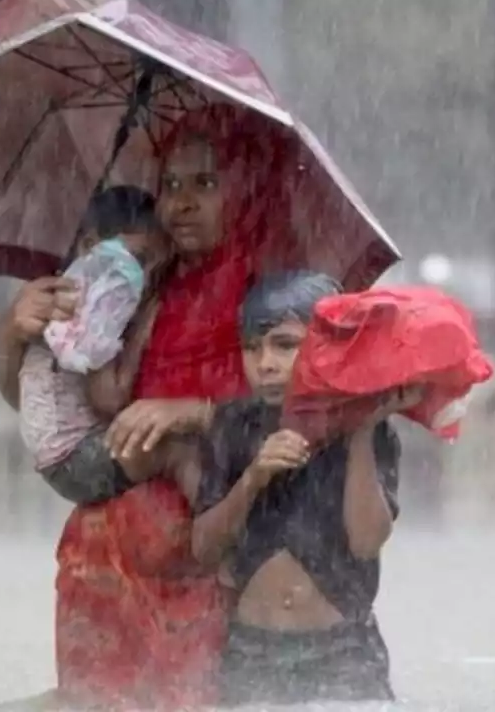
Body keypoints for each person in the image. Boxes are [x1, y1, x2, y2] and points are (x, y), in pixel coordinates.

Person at [0, 103, 299, 709]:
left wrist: (193, 411)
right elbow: (52, 410)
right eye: (170, 185)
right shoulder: (129, 280)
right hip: (105, 555)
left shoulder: (269, 289)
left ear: (245, 192)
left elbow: (299, 412)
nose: (181, 202)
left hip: (213, 551)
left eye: (206, 184)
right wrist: (12, 335)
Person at [192, 270, 412, 706]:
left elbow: (366, 541)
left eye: (285, 345)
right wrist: (254, 477)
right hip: (252, 651)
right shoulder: (234, 427)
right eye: (252, 348)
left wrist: (362, 433)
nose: (265, 364)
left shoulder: (368, 427)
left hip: (343, 650)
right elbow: (203, 549)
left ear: (327, 347)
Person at [20, 185, 172, 505]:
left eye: (156, 270)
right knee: (180, 452)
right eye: (139, 260)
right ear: (90, 245)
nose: (144, 279)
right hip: (77, 457)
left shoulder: (72, 285)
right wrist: (143, 334)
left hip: (56, 456)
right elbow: (109, 399)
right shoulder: (96, 306)